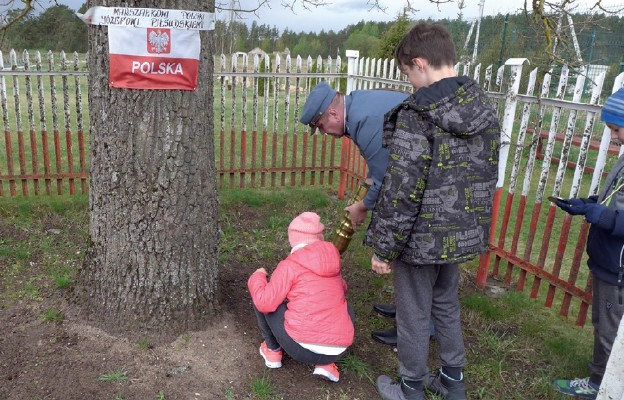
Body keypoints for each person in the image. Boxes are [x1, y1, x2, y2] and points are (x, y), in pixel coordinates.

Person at [364, 22, 500, 400]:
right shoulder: (483, 107)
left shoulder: (418, 114)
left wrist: (384, 247)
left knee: (413, 314)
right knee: (446, 303)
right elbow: (485, 173)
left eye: (408, 73)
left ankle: (410, 388)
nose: (410, 83)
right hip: (462, 232)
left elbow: (401, 189)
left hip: (421, 240)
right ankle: (453, 381)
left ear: (419, 63)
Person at [300, 81, 414, 346]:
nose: (324, 133)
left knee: (413, 256)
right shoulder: (358, 107)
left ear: (333, 114)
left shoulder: (366, 121)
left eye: (320, 127)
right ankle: (408, 311)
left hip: (425, 192)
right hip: (418, 184)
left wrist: (363, 206)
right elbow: (383, 165)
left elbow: (388, 176)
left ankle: (414, 326)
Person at [552, 86, 624, 399]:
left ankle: (601, 385)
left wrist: (601, 216)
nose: (616, 137)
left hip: (616, 268)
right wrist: (587, 202)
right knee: (603, 323)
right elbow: (613, 200)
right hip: (605, 260)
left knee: (609, 330)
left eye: (617, 129)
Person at [247, 211, 355, 383]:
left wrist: (257, 277)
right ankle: (327, 364)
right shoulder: (333, 261)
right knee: (344, 306)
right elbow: (343, 289)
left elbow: (264, 303)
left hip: (300, 349)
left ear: (293, 239)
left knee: (264, 296)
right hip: (338, 349)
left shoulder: (290, 265)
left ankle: (273, 351)